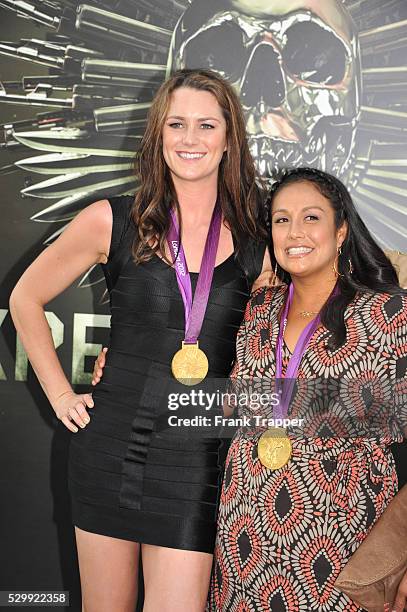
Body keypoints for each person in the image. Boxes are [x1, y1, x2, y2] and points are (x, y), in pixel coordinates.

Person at [9, 68, 273, 612]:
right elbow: (24, 300)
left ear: (229, 138)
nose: (190, 139)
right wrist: (61, 394)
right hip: (106, 444)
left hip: (197, 457)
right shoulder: (113, 219)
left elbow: (284, 343)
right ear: (157, 132)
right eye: (176, 124)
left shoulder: (259, 238)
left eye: (206, 125)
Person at [208, 168, 407, 611]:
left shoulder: (390, 314)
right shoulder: (260, 309)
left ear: (341, 231)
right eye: (281, 220)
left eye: (311, 218)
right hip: (244, 551)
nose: (294, 232)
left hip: (341, 557)